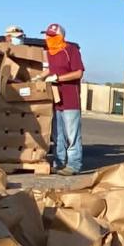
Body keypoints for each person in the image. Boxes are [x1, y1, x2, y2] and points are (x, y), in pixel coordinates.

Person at [40, 23, 85, 175]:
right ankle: (58, 162)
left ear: (60, 37)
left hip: (70, 100)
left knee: (72, 134)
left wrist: (59, 78)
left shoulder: (71, 50)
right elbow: (49, 70)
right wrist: (39, 78)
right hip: (56, 99)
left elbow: (78, 73)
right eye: (46, 35)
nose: (47, 38)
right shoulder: (50, 53)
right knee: (57, 134)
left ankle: (74, 164)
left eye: (51, 36)